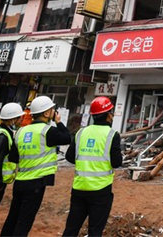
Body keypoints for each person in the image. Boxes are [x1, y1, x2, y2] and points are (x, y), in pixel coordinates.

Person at [0, 95, 70, 237]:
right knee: (24, 222)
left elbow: (14, 157)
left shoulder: (21, 132)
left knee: (13, 218)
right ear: (46, 113)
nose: (53, 112)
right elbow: (67, 137)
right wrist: (59, 122)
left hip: (20, 181)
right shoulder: (48, 131)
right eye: (52, 110)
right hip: (36, 184)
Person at [62, 96, 122, 237]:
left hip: (79, 187)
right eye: (111, 112)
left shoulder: (81, 132)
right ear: (108, 115)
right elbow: (116, 162)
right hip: (101, 190)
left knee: (71, 228)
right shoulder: (112, 135)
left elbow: (70, 157)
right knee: (95, 231)